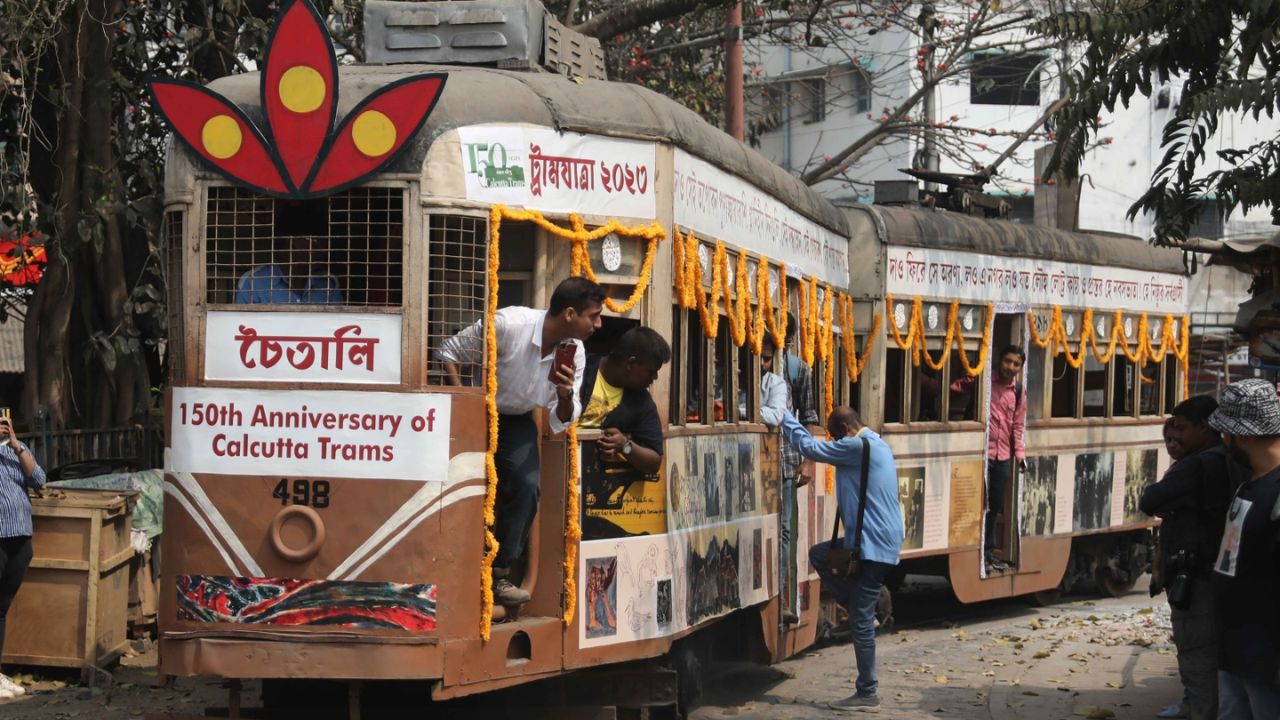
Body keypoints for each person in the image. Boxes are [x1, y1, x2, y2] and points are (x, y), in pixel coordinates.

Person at [434, 277, 604, 607]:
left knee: (527, 486)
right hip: (474, 410)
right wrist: (466, 405)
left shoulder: (576, 351)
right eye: (594, 315)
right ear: (570, 314)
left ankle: (500, 575)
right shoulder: (509, 325)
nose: (598, 324)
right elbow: (448, 352)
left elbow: (562, 417)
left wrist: (565, 393)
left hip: (516, 418)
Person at [781, 406, 904, 711]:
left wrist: (782, 414)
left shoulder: (856, 445)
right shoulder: (874, 442)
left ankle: (867, 691)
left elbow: (809, 447)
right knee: (820, 555)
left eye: (835, 436)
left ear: (847, 428)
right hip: (873, 540)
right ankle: (868, 604)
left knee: (860, 621)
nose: (835, 443)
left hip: (872, 543)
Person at [1141, 396, 1233, 720]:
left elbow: (1150, 499)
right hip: (1220, 576)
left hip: (1198, 580)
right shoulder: (1228, 459)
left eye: (1181, 429)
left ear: (1204, 428)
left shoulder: (1199, 464)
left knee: (1198, 661)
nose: (1175, 437)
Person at [1205, 379, 1280, 719]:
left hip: (1266, 657)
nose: (1223, 440)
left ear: (1245, 436)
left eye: (1227, 433)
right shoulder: (1249, 483)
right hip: (1235, 649)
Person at [578, 327, 670, 518]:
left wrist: (625, 446)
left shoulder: (641, 401)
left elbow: (654, 460)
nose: (654, 379)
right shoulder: (580, 368)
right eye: (651, 372)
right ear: (631, 364)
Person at [777, 313, 822, 625]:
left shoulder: (797, 369)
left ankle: (784, 598)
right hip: (757, 460)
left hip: (788, 459)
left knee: (785, 531)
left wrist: (808, 460)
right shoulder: (748, 359)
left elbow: (809, 415)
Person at [0, 410, 46, 698]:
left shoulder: (16, 450)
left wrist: (16, 444)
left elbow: (39, 479)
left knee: (1, 609)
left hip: (20, 538)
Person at [984, 344, 1026, 573]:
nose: (1010, 367)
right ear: (999, 361)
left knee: (995, 505)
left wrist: (1020, 454)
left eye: (1016, 364)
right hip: (985, 454)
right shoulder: (986, 382)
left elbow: (1018, 425)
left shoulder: (1018, 391)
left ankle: (989, 552)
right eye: (1007, 361)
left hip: (1003, 456)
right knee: (982, 504)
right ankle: (981, 553)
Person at [235, 235, 343, 304]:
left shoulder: (328, 284)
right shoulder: (252, 283)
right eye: (311, 239)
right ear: (288, 245)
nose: (321, 247)